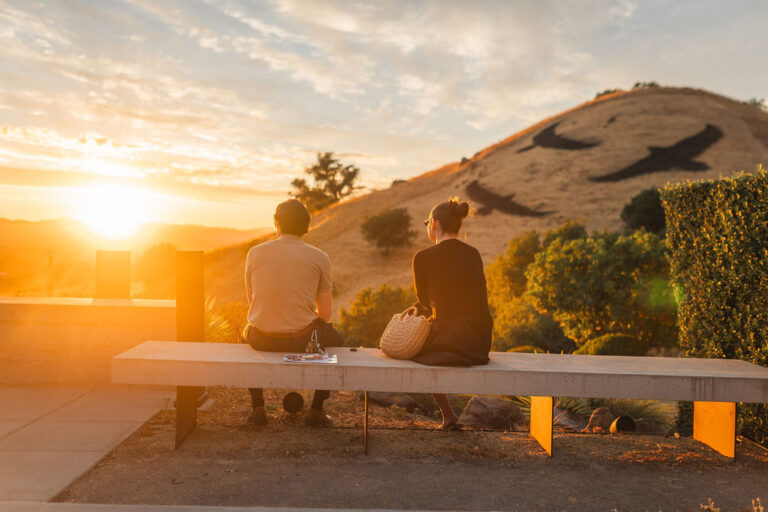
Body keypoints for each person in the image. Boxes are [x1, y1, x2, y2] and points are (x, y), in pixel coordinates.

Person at [243, 199, 343, 427]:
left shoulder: (254, 253)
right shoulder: (320, 257)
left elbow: (253, 303)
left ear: (277, 223)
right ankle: (316, 410)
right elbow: (325, 316)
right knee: (335, 339)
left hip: (261, 339)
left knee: (246, 331)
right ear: (306, 226)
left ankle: (258, 407)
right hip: (302, 340)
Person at [410, 197, 493, 430]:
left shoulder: (422, 257)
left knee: (412, 348)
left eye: (427, 222)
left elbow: (424, 302)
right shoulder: (473, 254)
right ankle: (448, 417)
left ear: (434, 223)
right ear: (460, 225)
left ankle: (448, 414)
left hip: (448, 339)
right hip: (478, 340)